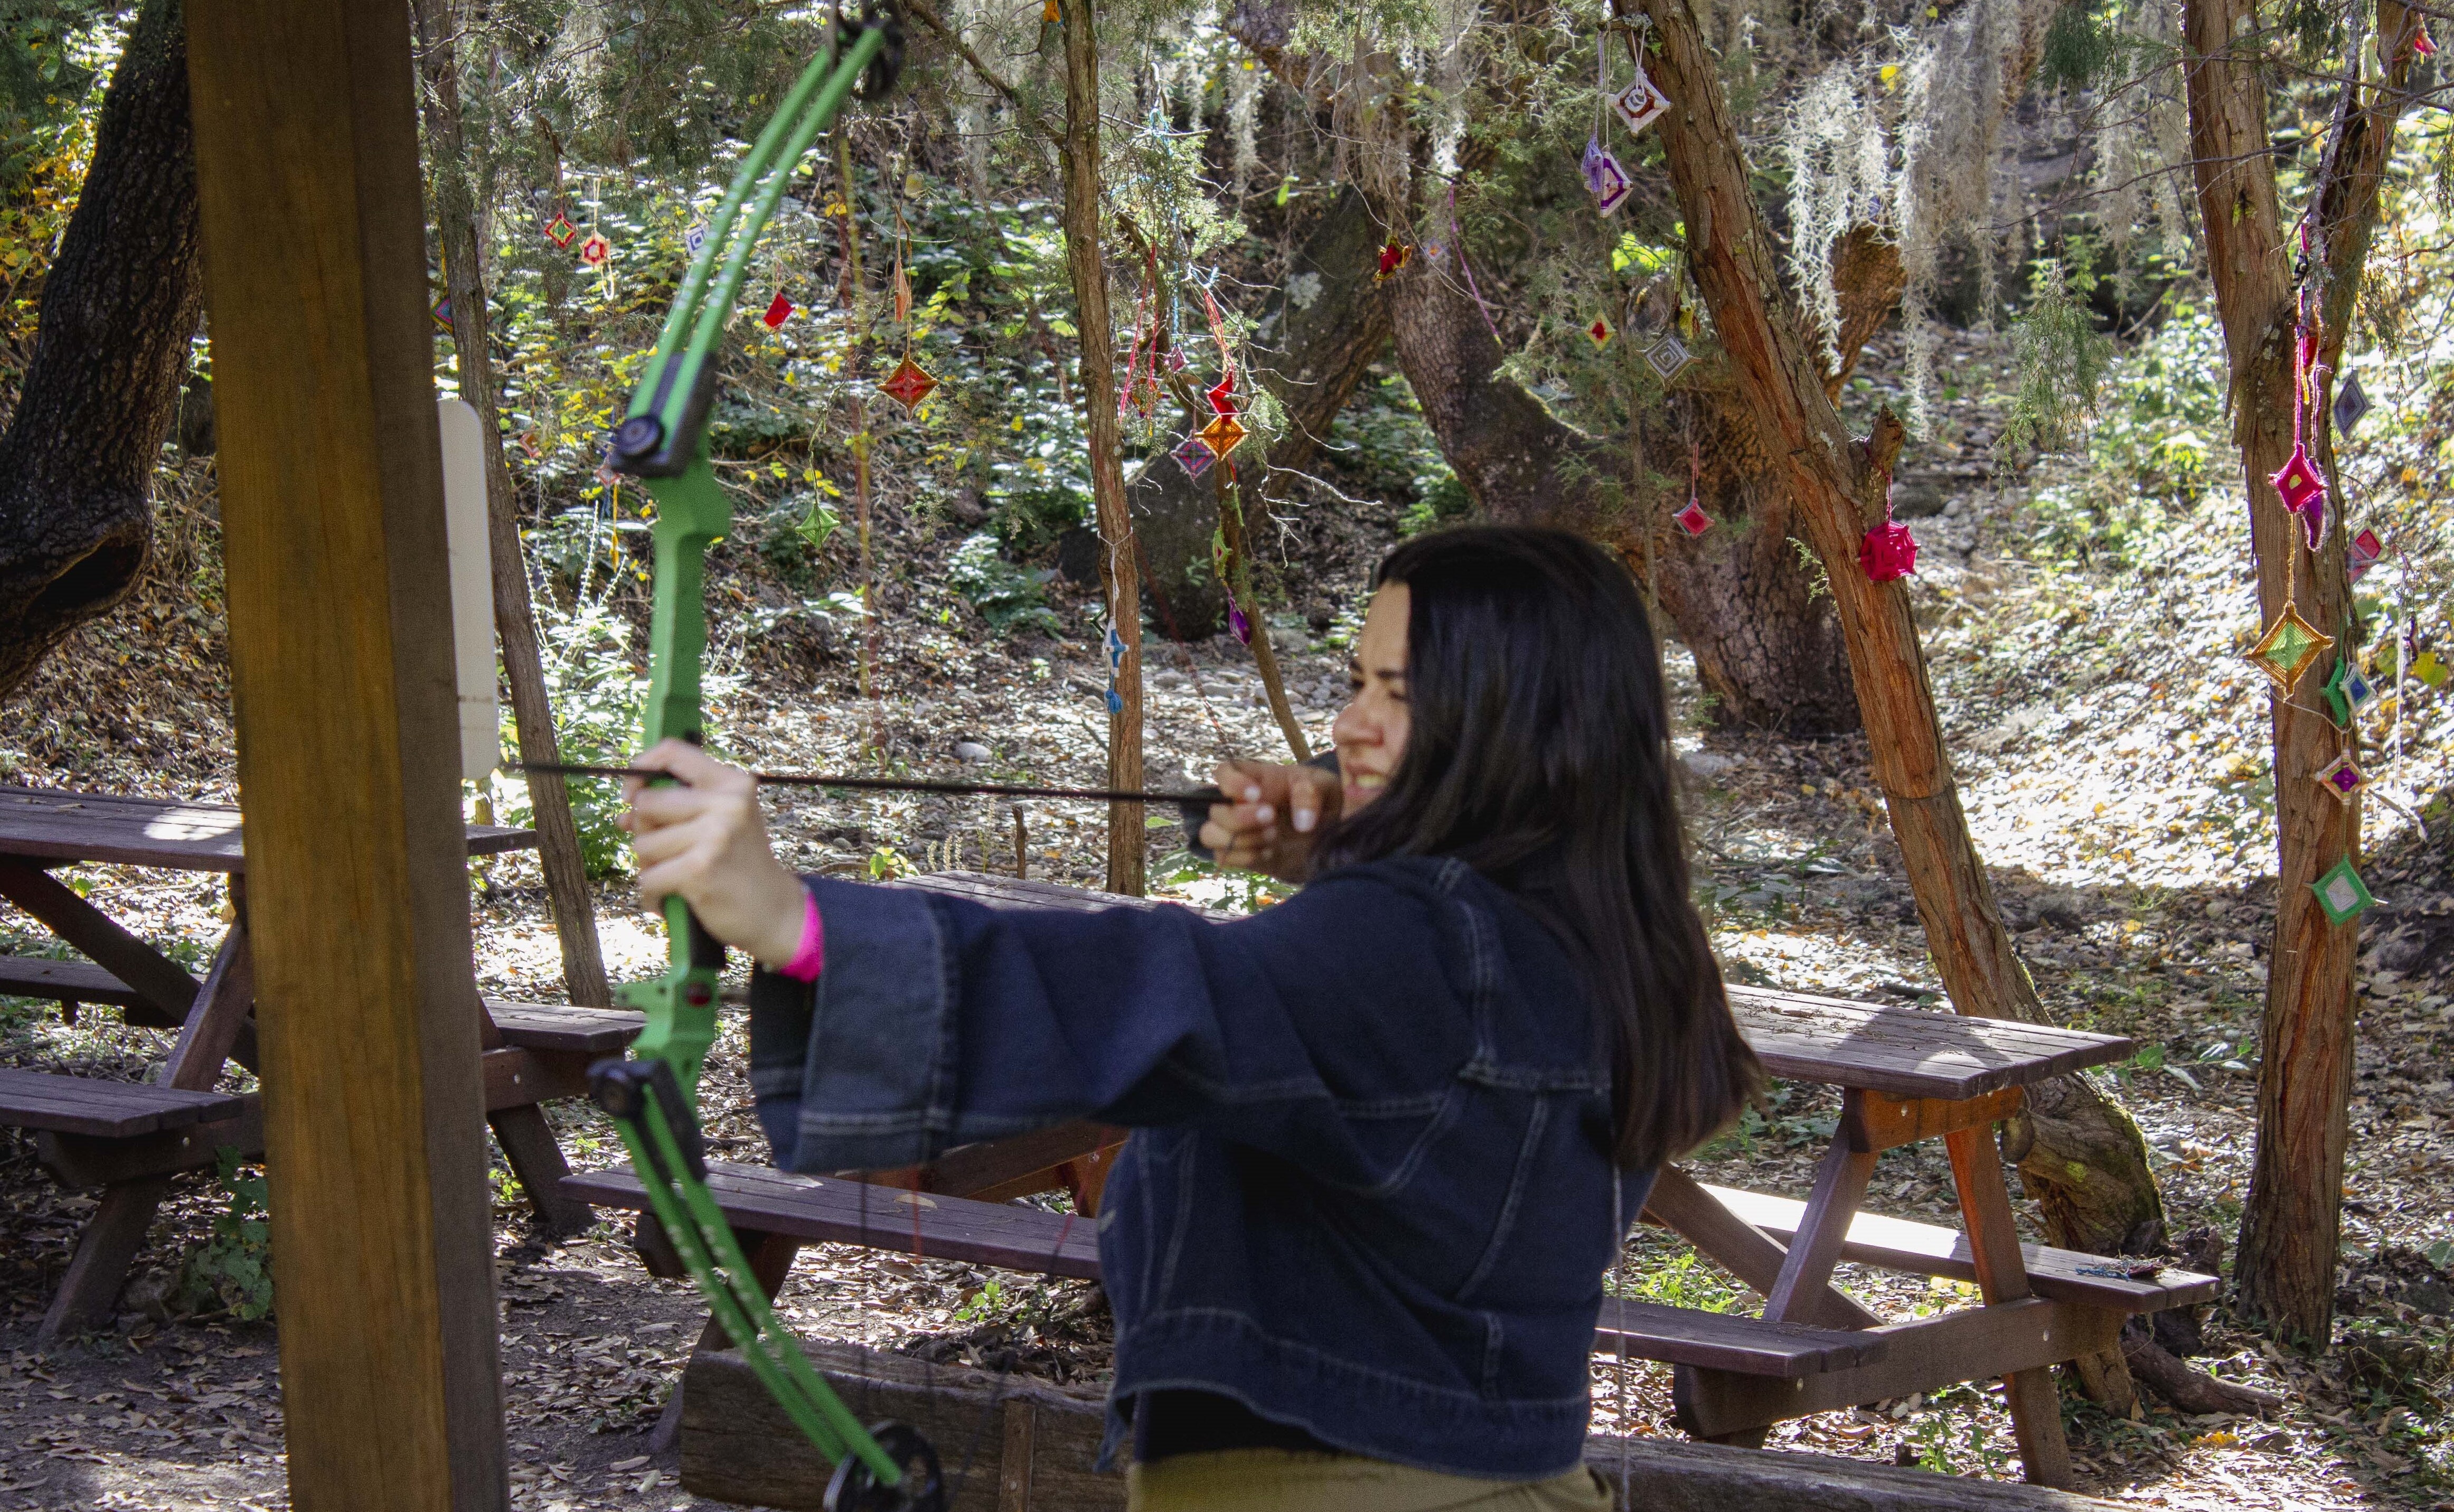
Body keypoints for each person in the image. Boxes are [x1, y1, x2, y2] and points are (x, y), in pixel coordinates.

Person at [620, 525, 1761, 1511]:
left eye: (1398, 695)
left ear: (1515, 725)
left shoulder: (1417, 942)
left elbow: (1165, 993)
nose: (1349, 724)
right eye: (1355, 679)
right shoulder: (1609, 932)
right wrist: (1345, 836)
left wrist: (797, 920)